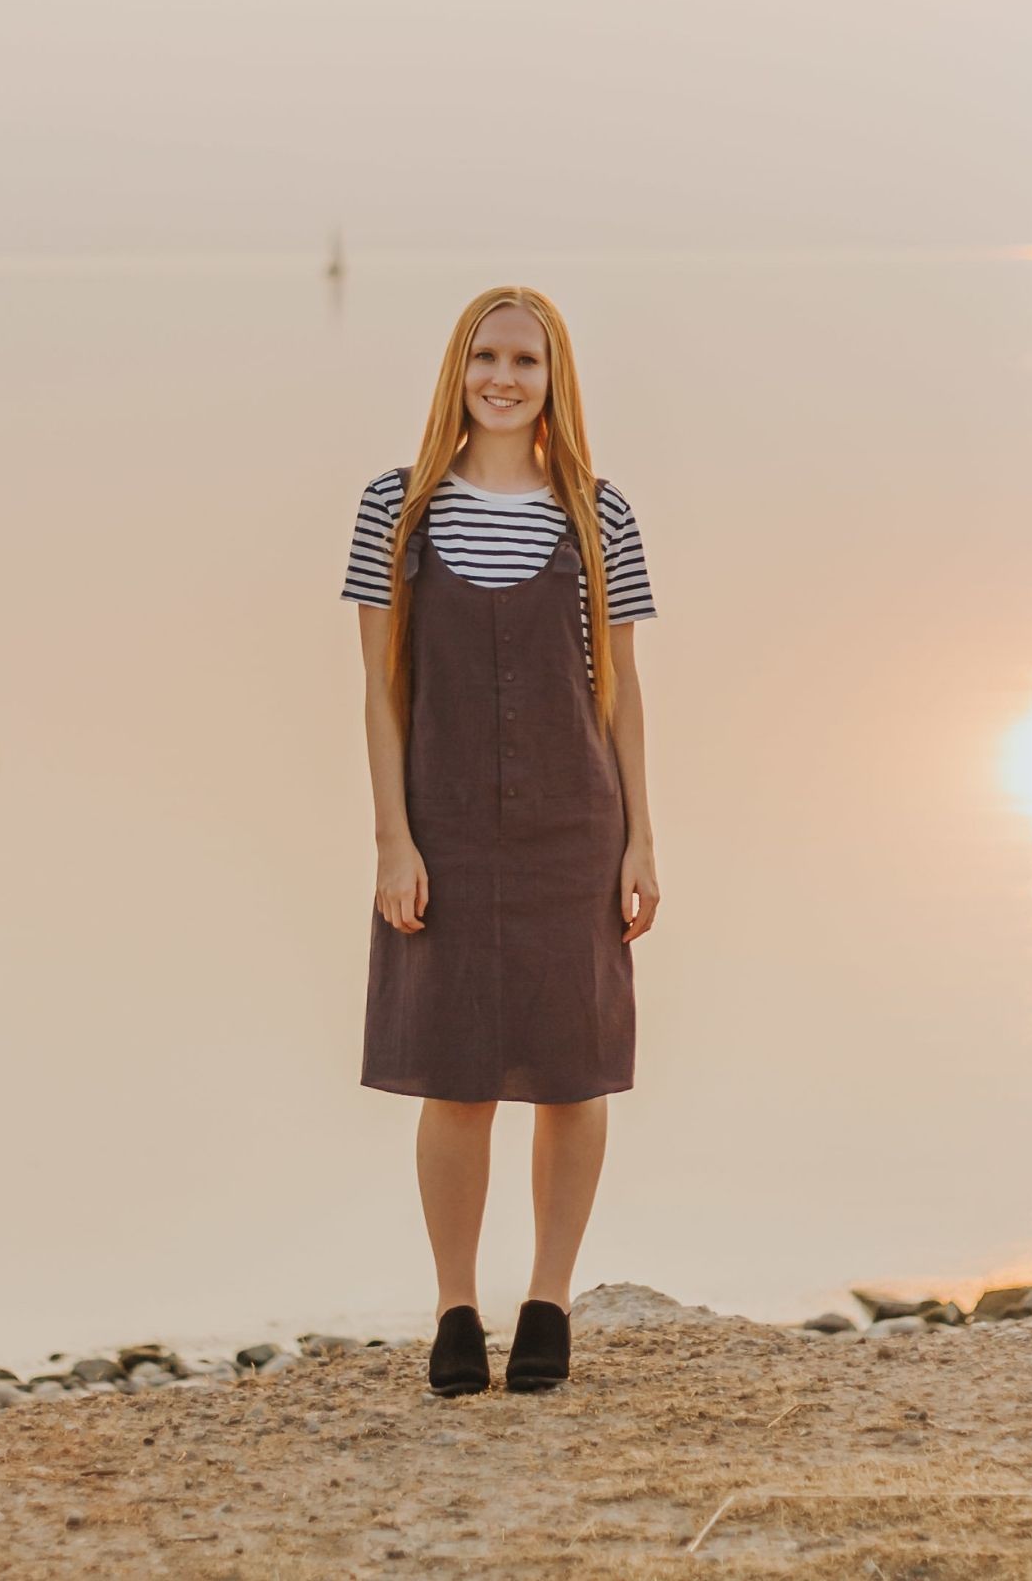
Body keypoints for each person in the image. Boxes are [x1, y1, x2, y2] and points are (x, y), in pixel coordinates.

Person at [340, 285, 661, 1395]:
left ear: (553, 377)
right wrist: (394, 839)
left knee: (574, 1078)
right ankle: (454, 1309)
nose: (504, 378)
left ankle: (548, 1303)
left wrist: (640, 841)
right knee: (456, 1075)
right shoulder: (398, 506)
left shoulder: (596, 512)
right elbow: (382, 694)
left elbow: (618, 694)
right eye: (487, 356)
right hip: (446, 828)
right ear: (458, 370)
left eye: (526, 360)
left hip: (575, 826)